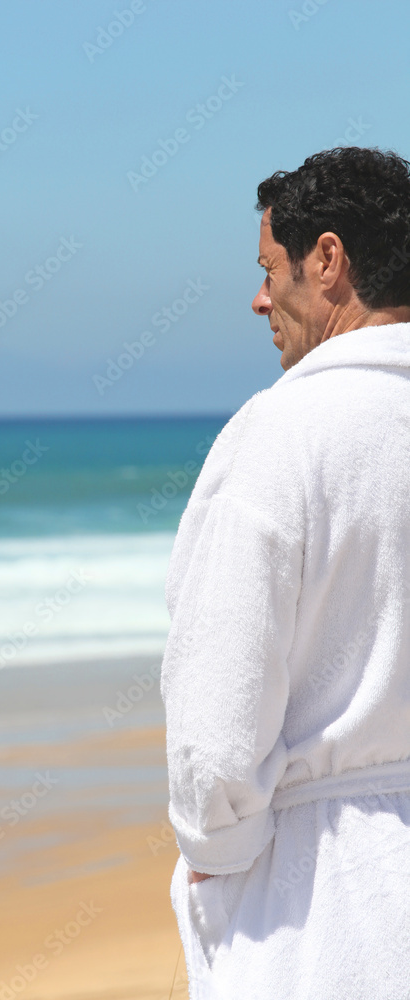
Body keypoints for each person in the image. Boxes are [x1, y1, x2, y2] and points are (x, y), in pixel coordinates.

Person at [161, 146, 410, 999]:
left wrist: (213, 851)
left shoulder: (283, 434)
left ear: (328, 261)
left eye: (271, 269)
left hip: (321, 908)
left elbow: (217, 720)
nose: (259, 299)